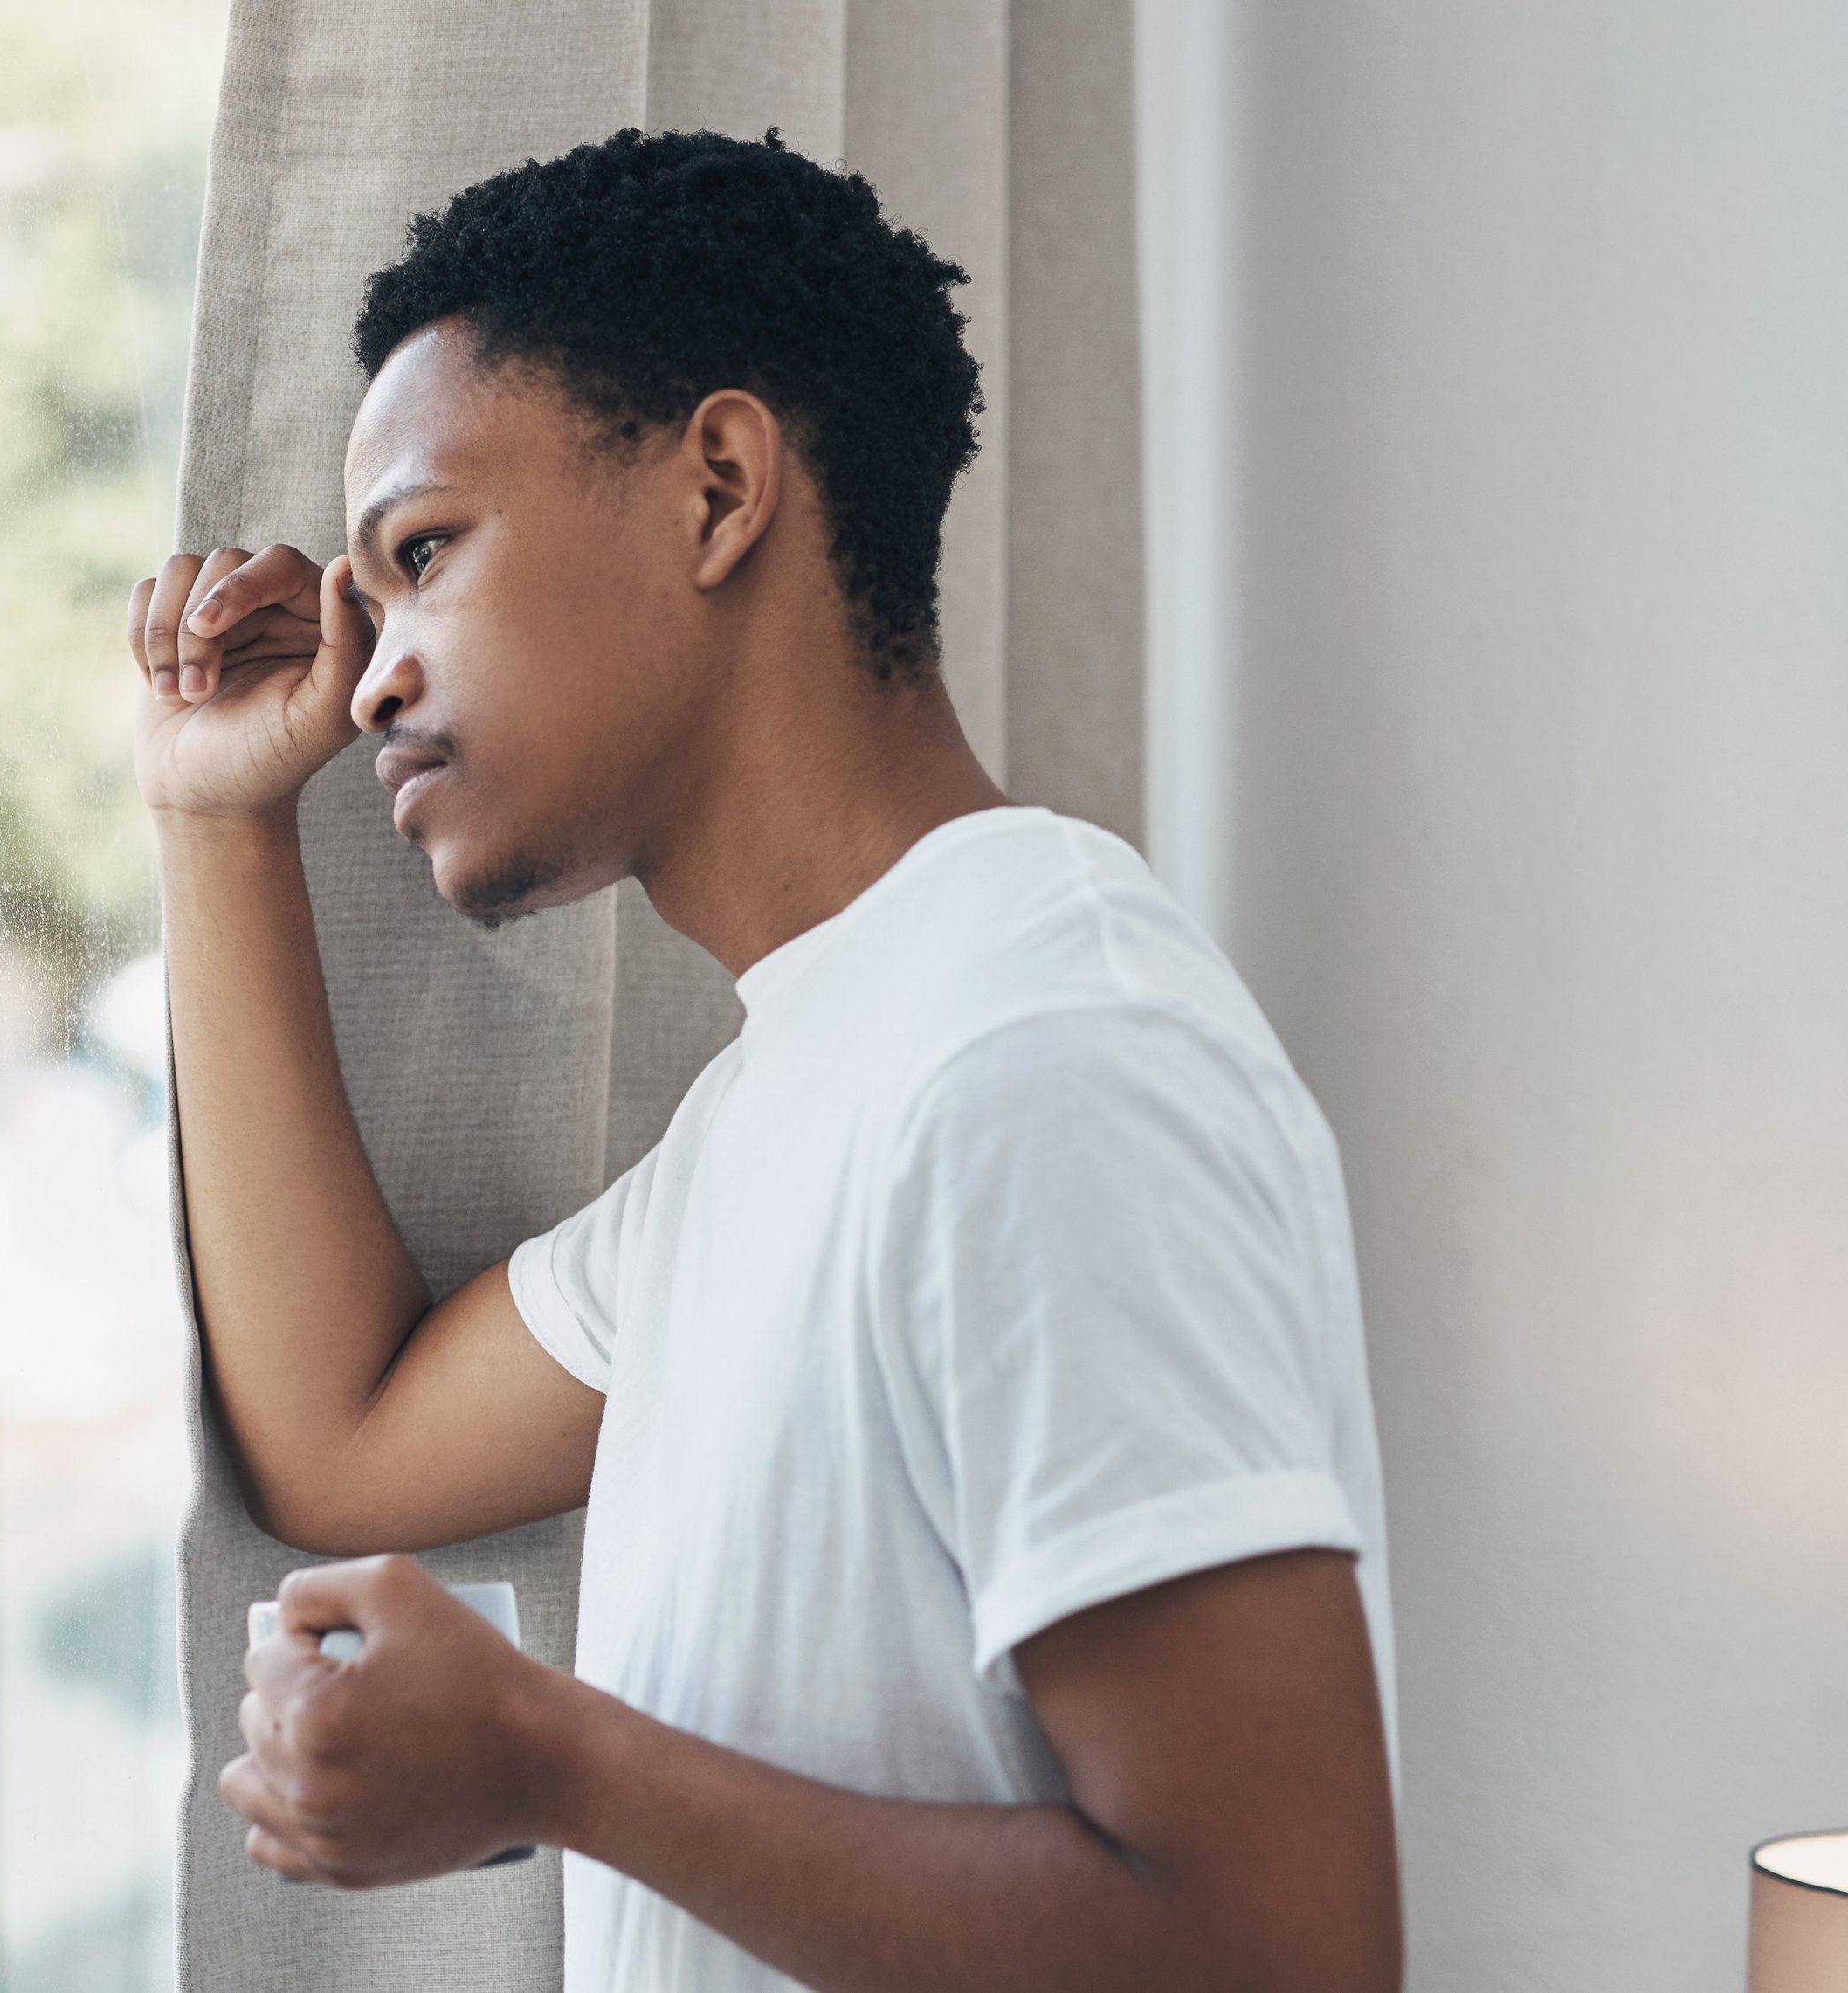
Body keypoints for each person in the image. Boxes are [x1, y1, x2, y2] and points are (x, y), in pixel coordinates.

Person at [128, 130, 1399, 1993]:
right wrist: (215, 817)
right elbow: (344, 1436)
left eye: (426, 554)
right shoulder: (786, 1096)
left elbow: (1287, 1950)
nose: (373, 674)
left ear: (718, 488)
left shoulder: (1047, 1054)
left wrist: (556, 1761)